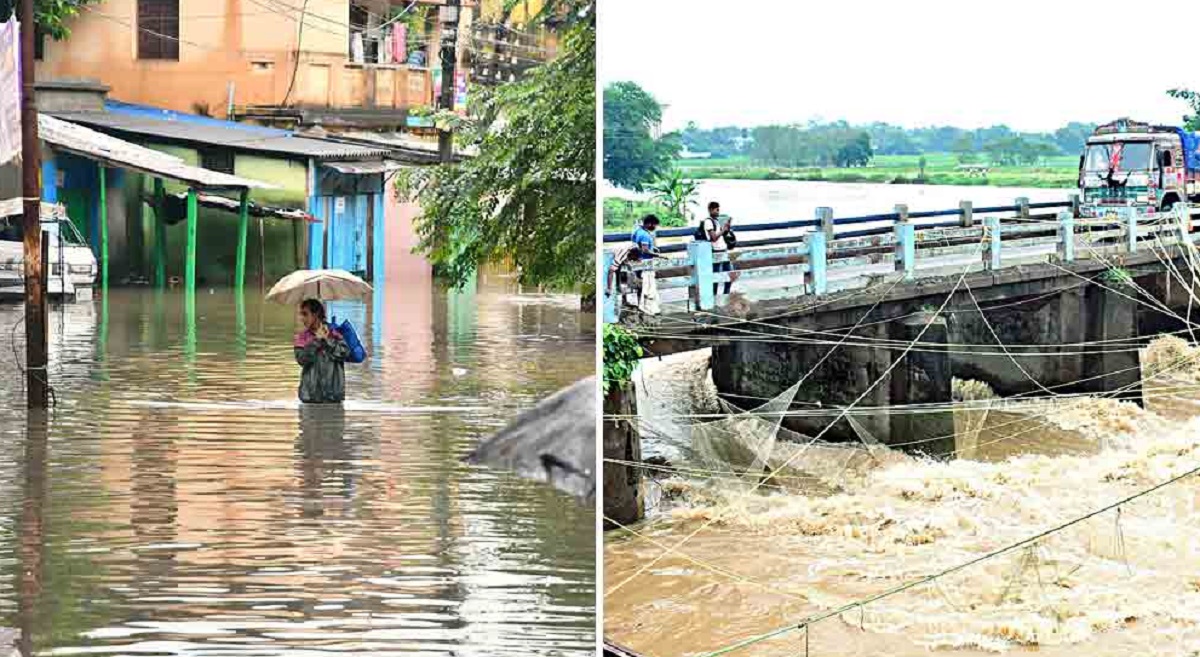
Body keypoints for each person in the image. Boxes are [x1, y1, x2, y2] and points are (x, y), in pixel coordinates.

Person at [294, 298, 351, 404]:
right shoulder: (302, 337)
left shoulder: (334, 333)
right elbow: (301, 360)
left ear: (316, 314)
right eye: (301, 314)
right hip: (310, 398)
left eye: (305, 314)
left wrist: (327, 341)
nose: (302, 318)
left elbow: (345, 353)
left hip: (333, 397)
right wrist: (316, 341)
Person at [606, 214, 660, 298]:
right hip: (614, 256)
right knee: (639, 283)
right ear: (649, 224)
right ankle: (638, 301)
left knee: (630, 274)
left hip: (625, 253)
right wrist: (608, 288)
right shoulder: (643, 235)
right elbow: (611, 271)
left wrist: (652, 248)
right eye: (655, 225)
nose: (655, 227)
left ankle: (622, 294)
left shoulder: (638, 232)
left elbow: (634, 252)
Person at [702, 201, 734, 296]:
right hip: (715, 252)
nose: (718, 212)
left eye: (719, 209)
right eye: (717, 210)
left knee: (730, 274)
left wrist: (727, 226)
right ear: (711, 210)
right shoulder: (708, 222)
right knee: (715, 277)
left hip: (723, 251)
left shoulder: (717, 220)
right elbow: (713, 238)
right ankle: (714, 296)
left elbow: (723, 234)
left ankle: (725, 294)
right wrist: (722, 230)